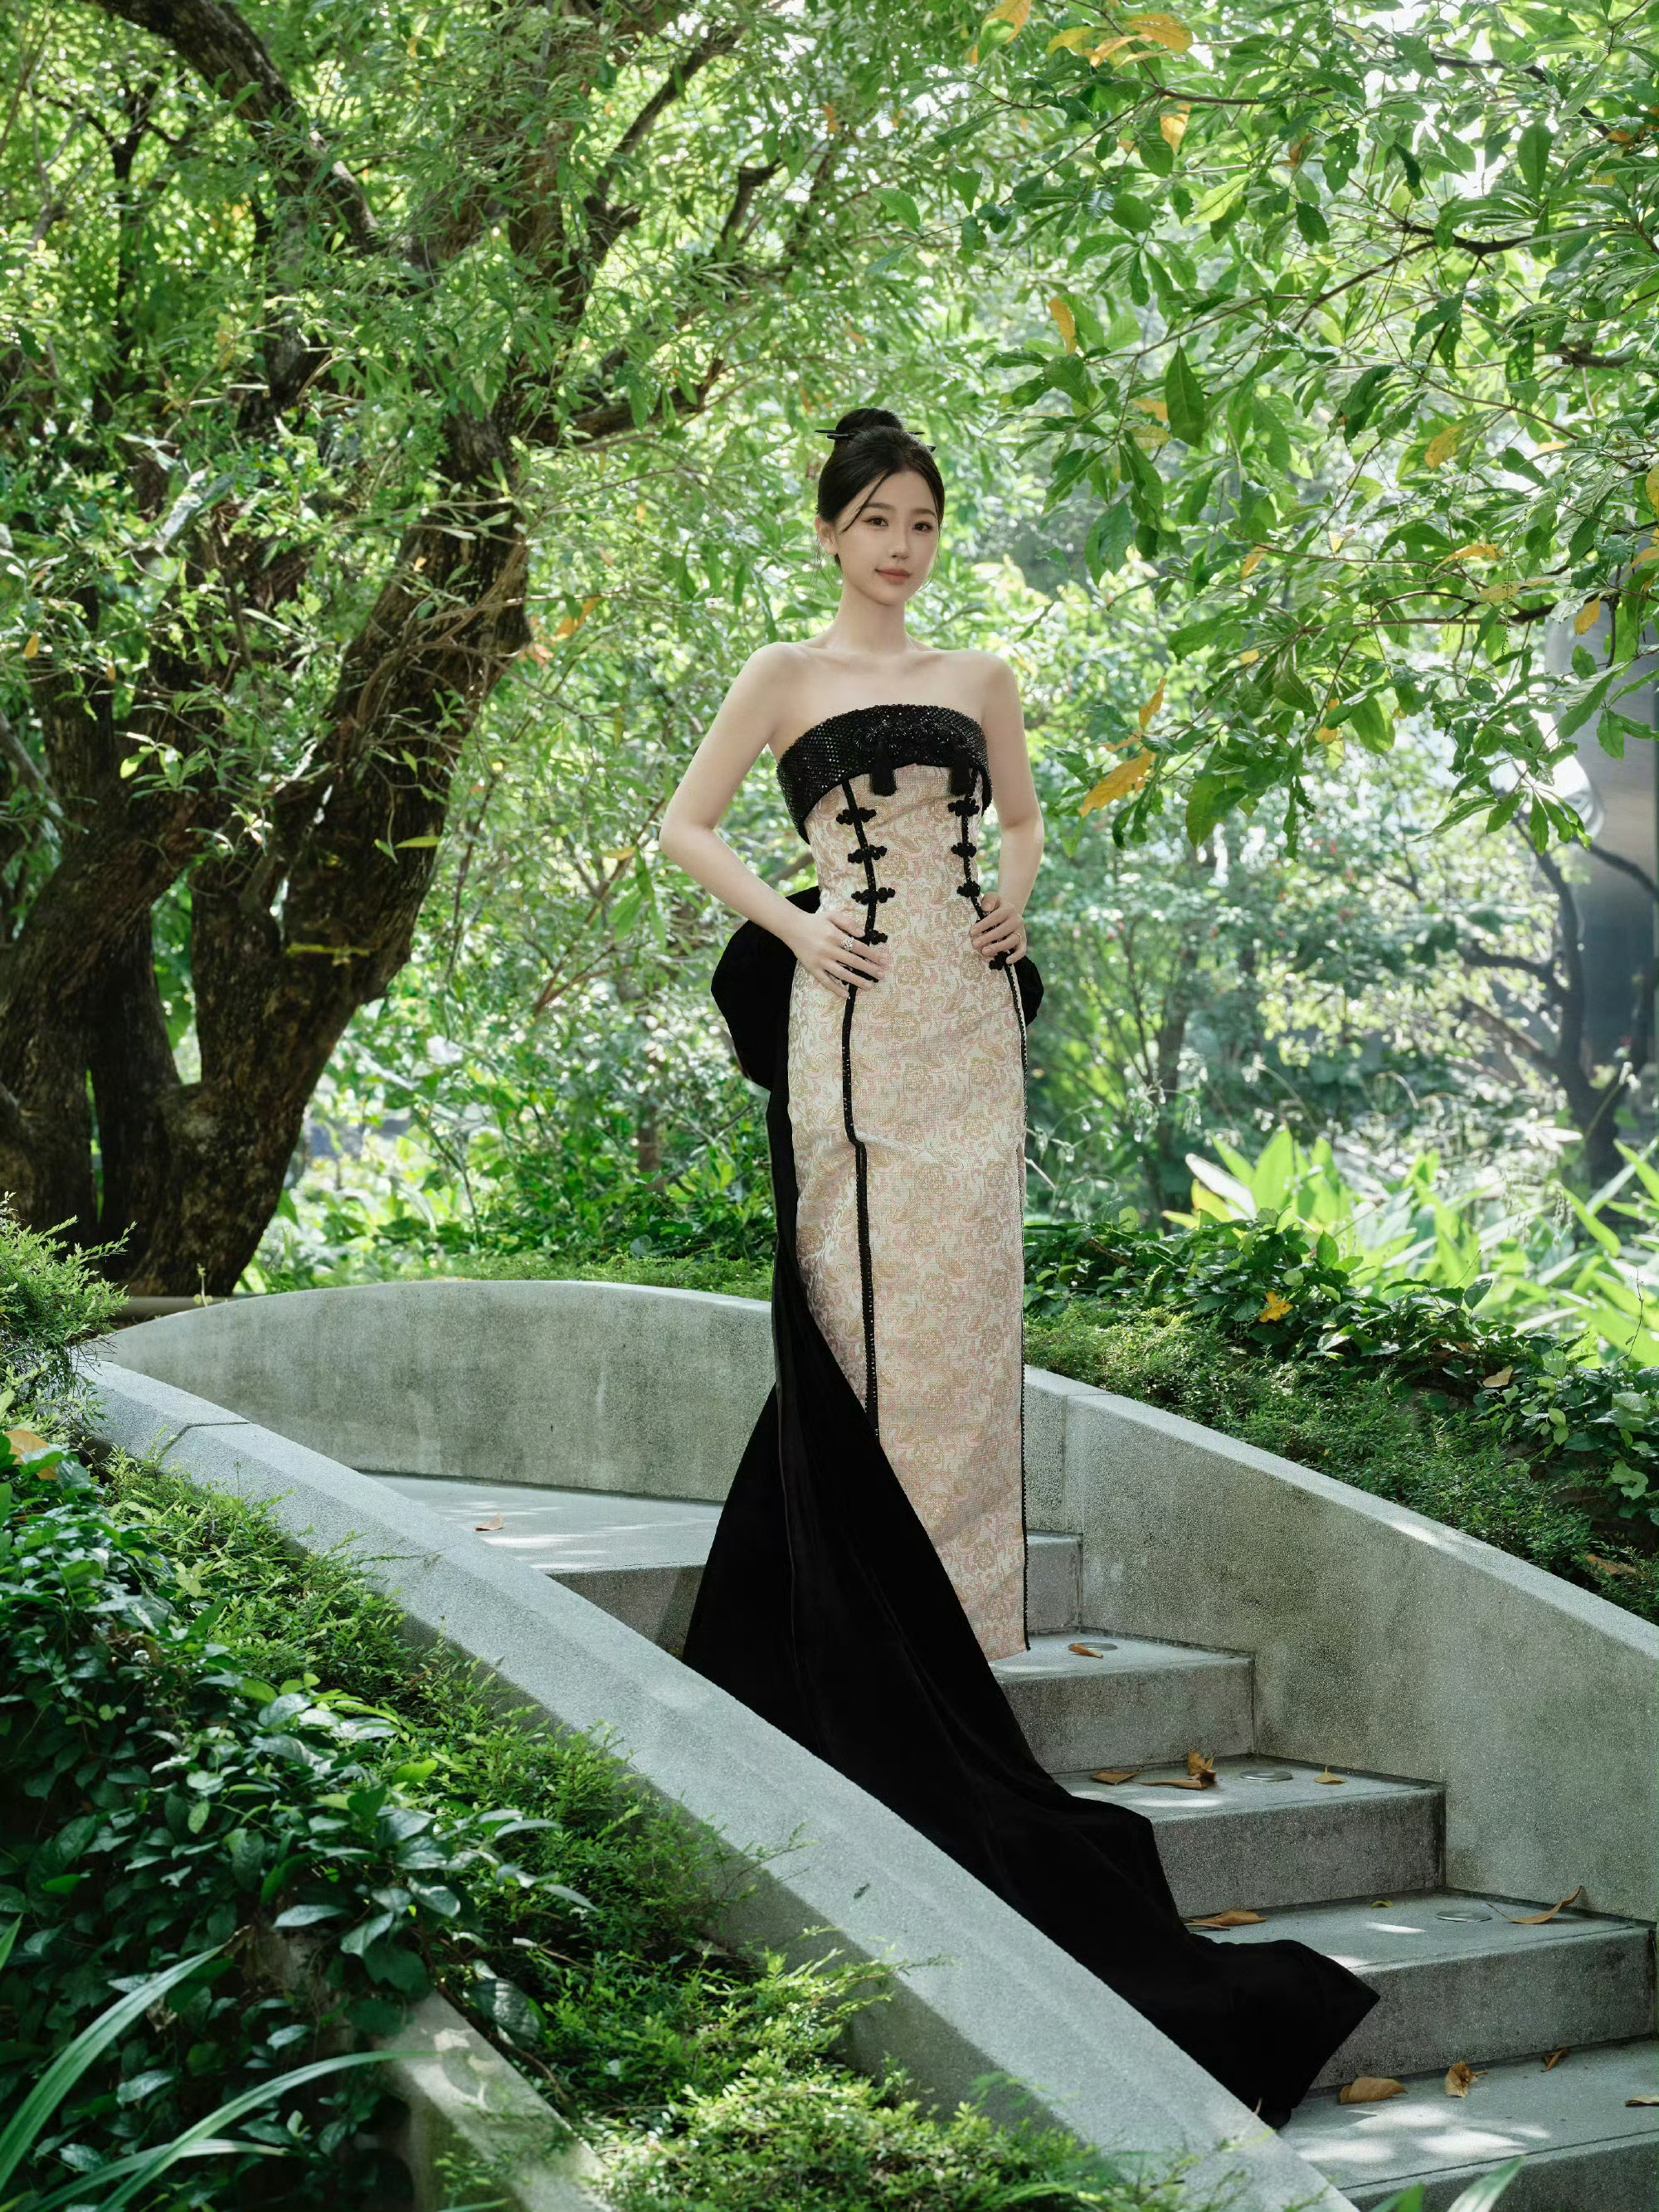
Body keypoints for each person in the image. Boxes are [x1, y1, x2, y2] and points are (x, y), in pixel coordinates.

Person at [657, 406, 1379, 2126]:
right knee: (866, 1324)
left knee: (969, 1329)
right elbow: (685, 827)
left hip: (968, 1028)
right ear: (830, 530)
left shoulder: (982, 675)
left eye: (921, 520)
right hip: (851, 1023)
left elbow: (1028, 825)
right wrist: (797, 924)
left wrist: (1015, 909)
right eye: (876, 520)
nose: (901, 546)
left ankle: (955, 1655)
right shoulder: (780, 674)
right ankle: (868, 1659)